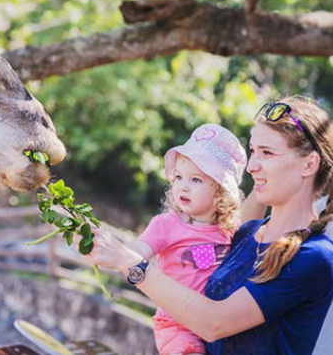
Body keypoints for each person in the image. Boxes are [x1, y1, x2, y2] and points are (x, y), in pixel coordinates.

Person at [84, 96, 333, 355]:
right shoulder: (247, 234)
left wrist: (129, 262)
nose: (251, 167)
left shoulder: (314, 257)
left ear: (309, 164)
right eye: (252, 151)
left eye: (267, 153)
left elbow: (214, 323)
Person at [127, 123, 246, 355]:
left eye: (196, 180)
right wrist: (118, 253)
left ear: (221, 192)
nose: (183, 186)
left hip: (211, 323)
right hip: (176, 325)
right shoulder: (166, 225)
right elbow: (134, 253)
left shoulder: (229, 232)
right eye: (179, 177)